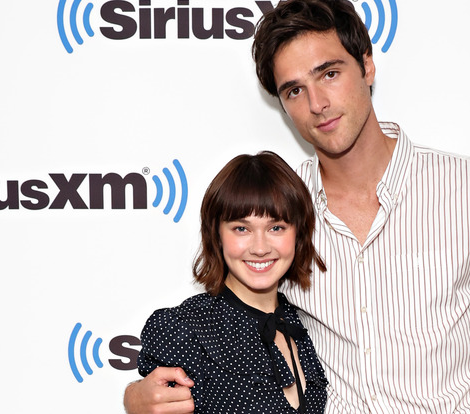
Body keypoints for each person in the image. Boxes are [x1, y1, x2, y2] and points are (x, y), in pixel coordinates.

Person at [125, 0, 470, 414]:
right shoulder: (280, 213)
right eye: (294, 91)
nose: (317, 104)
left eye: (329, 74)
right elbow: (224, 322)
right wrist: (137, 395)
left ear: (367, 66)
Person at [136, 151, 328, 413]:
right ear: (216, 235)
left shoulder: (301, 322)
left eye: (276, 228)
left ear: (298, 234)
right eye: (242, 228)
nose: (260, 248)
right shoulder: (186, 331)